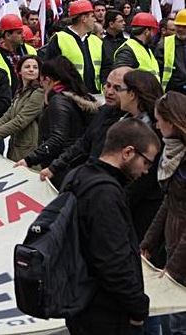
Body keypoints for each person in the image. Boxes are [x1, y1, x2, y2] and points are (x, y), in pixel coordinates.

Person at [61, 118, 158, 335]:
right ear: (128, 152)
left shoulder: (76, 176)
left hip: (79, 301)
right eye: (146, 163)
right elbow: (113, 260)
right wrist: (138, 308)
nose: (146, 171)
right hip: (105, 312)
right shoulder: (105, 194)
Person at [142, 92, 186, 328]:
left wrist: (174, 267)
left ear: (172, 120)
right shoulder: (172, 152)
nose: (156, 125)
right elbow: (170, 201)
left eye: (159, 120)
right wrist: (148, 243)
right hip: (174, 246)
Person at [16, 57, 99, 171]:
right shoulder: (84, 97)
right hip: (79, 161)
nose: (41, 84)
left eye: (41, 80)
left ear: (48, 79)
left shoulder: (58, 101)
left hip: (61, 165)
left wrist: (29, 159)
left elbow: (57, 139)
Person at [0, 56, 45, 162]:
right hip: (16, 147)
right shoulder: (20, 92)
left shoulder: (39, 92)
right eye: (27, 67)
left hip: (29, 150)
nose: (31, 69)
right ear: (19, 71)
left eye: (35, 67)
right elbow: (7, 117)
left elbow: (20, 120)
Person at [43, 0, 102, 93]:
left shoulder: (96, 41)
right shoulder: (59, 38)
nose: (95, 20)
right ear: (84, 18)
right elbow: (50, 69)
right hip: (70, 95)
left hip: (95, 94)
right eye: (92, 16)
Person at [0, 15, 37, 92]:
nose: (23, 35)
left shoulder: (30, 50)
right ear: (8, 35)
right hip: (6, 96)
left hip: (28, 95)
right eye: (19, 33)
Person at [113, 12, 161, 82]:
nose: (154, 35)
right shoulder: (127, 51)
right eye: (153, 31)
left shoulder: (146, 48)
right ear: (147, 31)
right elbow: (120, 78)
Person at [160, 9, 186, 93]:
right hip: (172, 91)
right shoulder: (165, 43)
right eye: (178, 26)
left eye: (184, 27)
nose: (181, 29)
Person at [101, 9, 129, 83]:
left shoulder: (126, 42)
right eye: (120, 21)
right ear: (111, 24)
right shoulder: (100, 42)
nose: (124, 23)